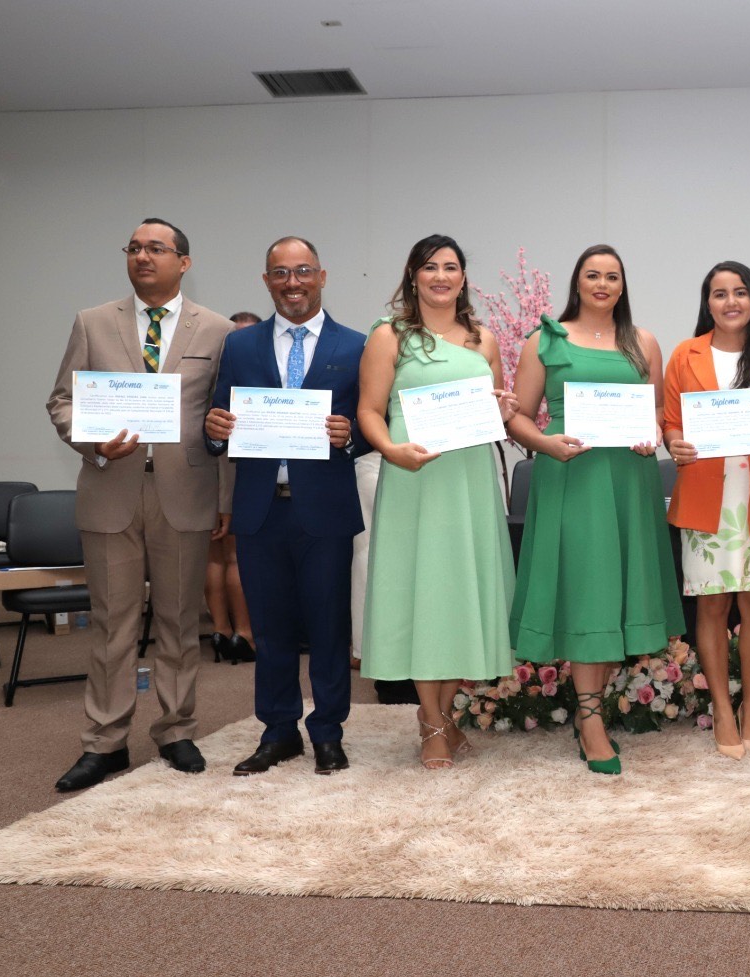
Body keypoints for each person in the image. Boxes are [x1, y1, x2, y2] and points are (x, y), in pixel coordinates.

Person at [46, 218, 232, 791]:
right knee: (112, 624)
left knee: (179, 621)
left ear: (184, 262)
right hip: (110, 489)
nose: (142, 256)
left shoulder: (219, 331)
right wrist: (92, 441)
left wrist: (225, 498)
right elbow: (61, 401)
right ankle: (104, 743)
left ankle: (176, 731)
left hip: (186, 494)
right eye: (134, 248)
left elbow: (225, 419)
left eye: (156, 248)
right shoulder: (93, 322)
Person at [506, 245, 685, 776]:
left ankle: (592, 709)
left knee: (617, 592)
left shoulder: (643, 342)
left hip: (629, 479)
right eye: (593, 275)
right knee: (589, 591)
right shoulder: (545, 339)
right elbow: (518, 417)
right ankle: (589, 720)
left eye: (612, 276)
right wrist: (545, 443)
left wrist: (653, 432)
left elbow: (656, 409)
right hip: (572, 478)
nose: (602, 284)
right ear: (577, 282)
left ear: (622, 285)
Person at [204, 238, 370, 775]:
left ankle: (327, 732)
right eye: (280, 273)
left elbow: (375, 423)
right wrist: (214, 429)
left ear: (322, 276)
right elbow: (219, 416)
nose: (292, 282)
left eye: (302, 271)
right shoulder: (240, 345)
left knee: (328, 628)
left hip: (324, 509)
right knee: (270, 629)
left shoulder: (357, 346)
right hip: (260, 510)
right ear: (266, 280)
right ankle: (278, 732)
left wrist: (350, 436)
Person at [357, 234, 518, 770]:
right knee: (424, 592)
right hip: (415, 479)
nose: (441, 276)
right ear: (413, 276)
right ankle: (429, 719)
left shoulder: (483, 340)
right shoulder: (390, 335)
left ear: (463, 278)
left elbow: (495, 414)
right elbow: (369, 410)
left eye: (451, 267)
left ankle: (446, 715)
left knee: (459, 593)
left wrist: (503, 409)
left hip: (470, 480)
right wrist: (391, 451)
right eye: (430, 267)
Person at [663, 261, 750, 760]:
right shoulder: (684, 354)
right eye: (719, 294)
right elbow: (672, 420)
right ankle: (720, 707)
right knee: (712, 606)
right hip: (703, 497)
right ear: (707, 303)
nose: (730, 301)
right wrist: (675, 443)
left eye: (739, 292)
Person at [204, 311, 261, 665]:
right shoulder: (255, 376)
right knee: (237, 558)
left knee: (214, 557)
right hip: (236, 469)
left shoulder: (214, 377)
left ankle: (220, 629)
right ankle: (245, 632)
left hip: (205, 472)